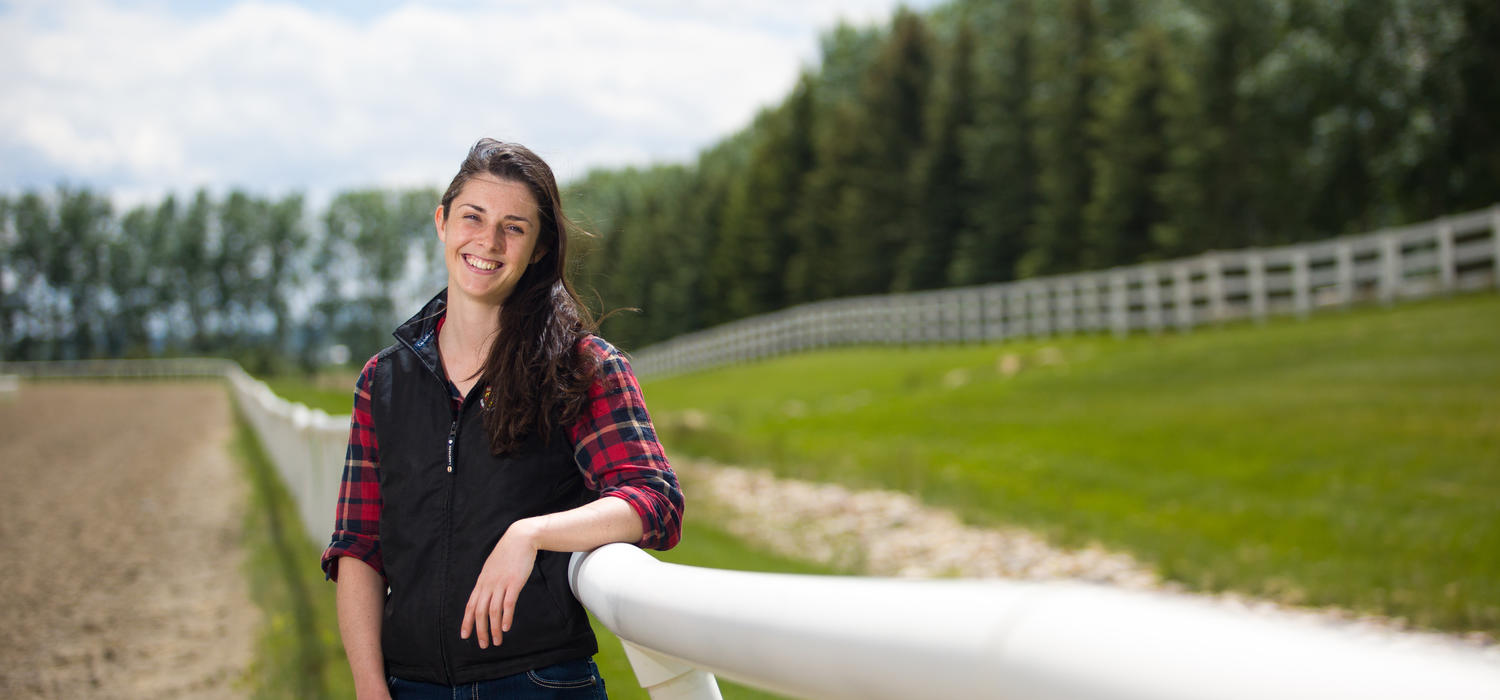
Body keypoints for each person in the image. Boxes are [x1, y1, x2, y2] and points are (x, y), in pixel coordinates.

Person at [321, 138, 684, 700]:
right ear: (442, 222)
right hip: (406, 685)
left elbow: (654, 497)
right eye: (473, 217)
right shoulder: (381, 382)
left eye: (514, 227)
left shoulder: (580, 367)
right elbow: (358, 546)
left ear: (538, 249)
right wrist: (370, 686)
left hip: (538, 683)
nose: (487, 242)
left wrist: (532, 533)